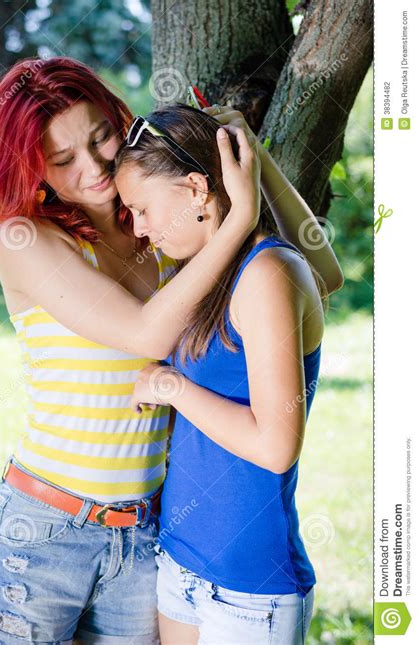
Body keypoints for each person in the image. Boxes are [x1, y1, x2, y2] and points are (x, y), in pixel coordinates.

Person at [0, 56, 341, 644]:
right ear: (32, 168)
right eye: (62, 160)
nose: (94, 167)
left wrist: (244, 157)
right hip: (44, 531)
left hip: (146, 536)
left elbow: (317, 274)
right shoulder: (27, 238)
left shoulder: (159, 229)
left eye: (101, 138)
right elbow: (146, 334)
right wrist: (237, 218)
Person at [115, 104, 342, 644]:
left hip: (247, 591)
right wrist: (254, 158)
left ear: (197, 189)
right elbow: (327, 274)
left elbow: (275, 445)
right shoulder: (213, 268)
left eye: (141, 208)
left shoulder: (267, 272)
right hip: (180, 563)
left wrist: (172, 386)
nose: (142, 229)